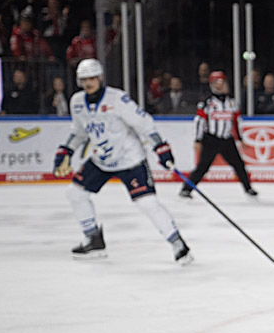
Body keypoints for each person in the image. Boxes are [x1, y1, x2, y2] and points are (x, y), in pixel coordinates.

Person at [52, 58, 191, 264]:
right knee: (75, 193)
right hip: (101, 159)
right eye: (84, 79)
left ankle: (178, 243)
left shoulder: (117, 99)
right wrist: (65, 151)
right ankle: (93, 239)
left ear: (100, 78)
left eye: (92, 78)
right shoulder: (77, 102)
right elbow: (79, 132)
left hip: (130, 160)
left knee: (147, 203)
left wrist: (160, 148)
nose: (88, 83)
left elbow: (144, 124)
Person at [179, 71, 258, 199]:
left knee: (238, 164)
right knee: (203, 166)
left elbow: (236, 122)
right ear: (212, 84)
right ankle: (186, 189)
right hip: (211, 139)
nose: (221, 85)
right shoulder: (207, 102)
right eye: (217, 83)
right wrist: (198, 140)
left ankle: (248, 188)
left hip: (227, 139)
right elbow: (199, 121)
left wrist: (240, 139)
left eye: (222, 82)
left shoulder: (231, 102)